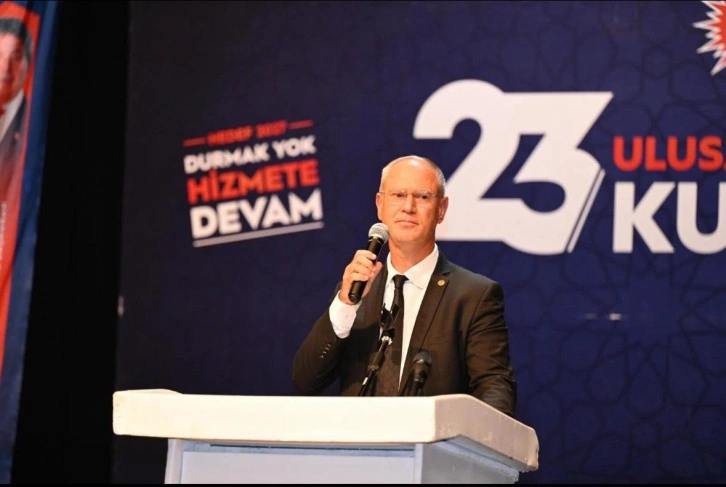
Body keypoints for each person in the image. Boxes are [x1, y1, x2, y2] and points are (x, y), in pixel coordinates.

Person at [292, 155, 516, 417]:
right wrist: (345, 304)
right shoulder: (356, 290)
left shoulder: (473, 296)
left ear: (441, 209)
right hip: (359, 440)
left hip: (437, 441)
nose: (408, 207)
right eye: (398, 195)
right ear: (380, 205)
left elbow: (494, 388)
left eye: (422, 197)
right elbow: (305, 381)